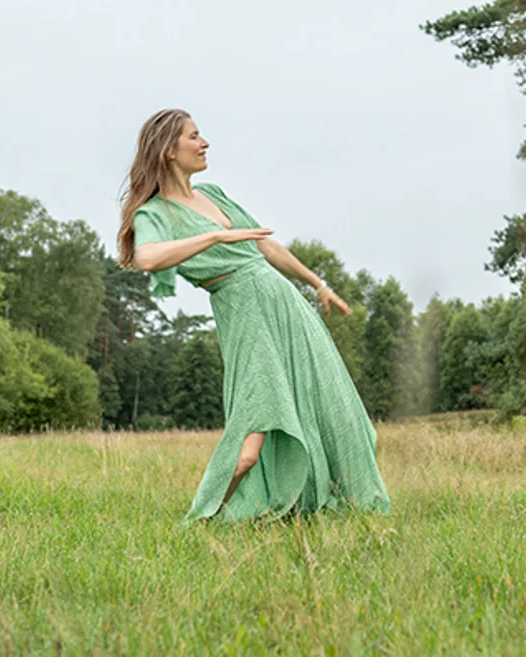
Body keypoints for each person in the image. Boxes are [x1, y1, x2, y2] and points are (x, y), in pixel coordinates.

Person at [117, 108, 392, 523]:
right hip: (245, 314)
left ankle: (321, 502)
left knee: (333, 404)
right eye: (195, 136)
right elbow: (148, 257)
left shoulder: (216, 195)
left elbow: (266, 245)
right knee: (252, 432)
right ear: (169, 150)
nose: (205, 143)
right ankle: (203, 520)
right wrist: (212, 236)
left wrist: (317, 283)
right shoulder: (155, 214)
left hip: (287, 308)